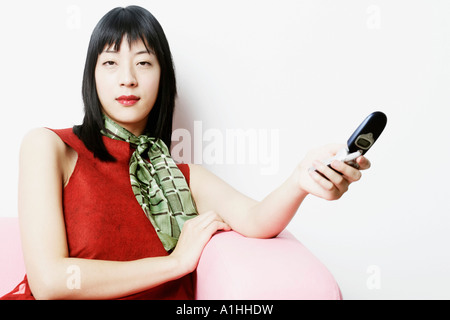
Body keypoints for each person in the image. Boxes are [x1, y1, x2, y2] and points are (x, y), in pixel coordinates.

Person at [1, 5, 370, 300]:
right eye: (110, 62)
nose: (127, 77)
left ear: (163, 77)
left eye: (143, 62)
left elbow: (257, 219)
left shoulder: (180, 177)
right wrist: (176, 263)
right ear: (92, 76)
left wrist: (300, 179)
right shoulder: (51, 146)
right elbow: (50, 281)